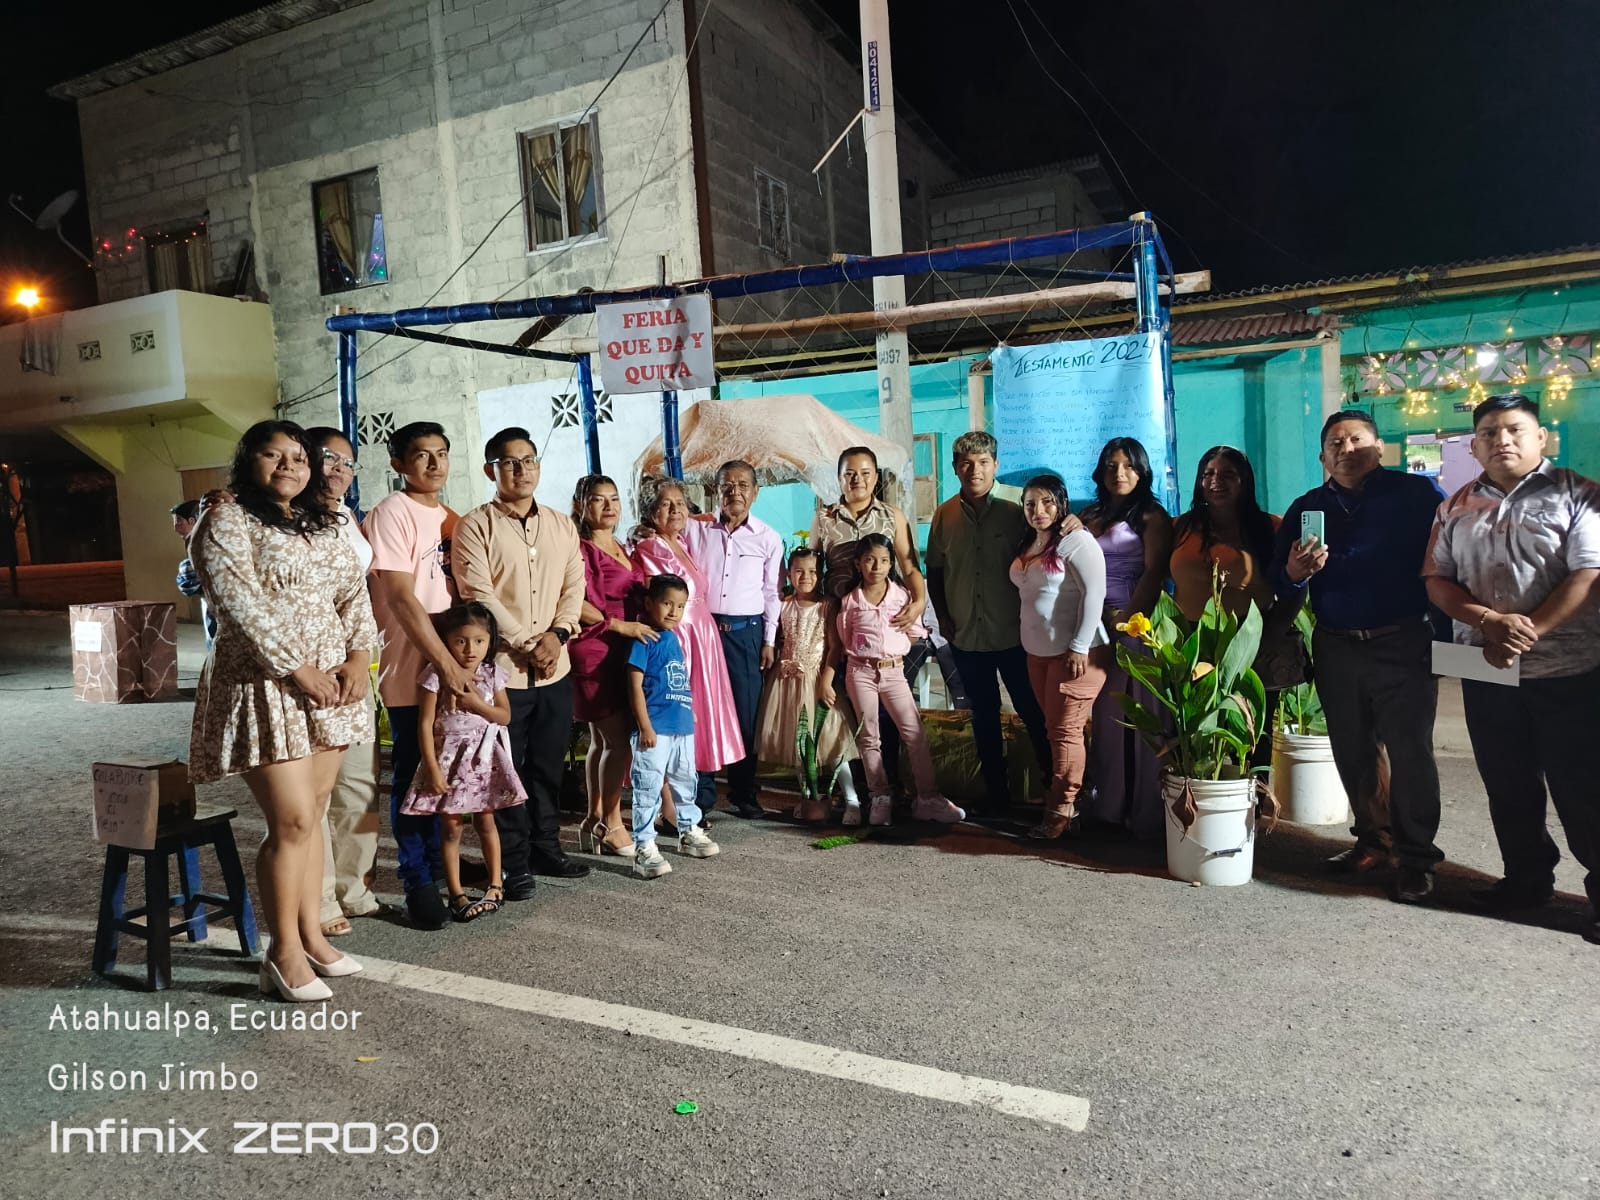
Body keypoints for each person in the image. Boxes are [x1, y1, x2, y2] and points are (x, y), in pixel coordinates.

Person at [188, 419, 375, 1002]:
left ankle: (311, 936)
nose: (290, 466)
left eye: (299, 456)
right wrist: (298, 668)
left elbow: (353, 592)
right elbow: (238, 603)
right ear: (249, 461)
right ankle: (282, 953)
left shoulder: (323, 522)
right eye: (274, 455)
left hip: (330, 687)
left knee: (313, 814)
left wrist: (359, 656)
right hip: (266, 685)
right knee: (291, 820)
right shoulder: (227, 519)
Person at [1422, 393, 1600, 942]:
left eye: (1515, 429)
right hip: (1488, 668)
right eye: (1489, 433)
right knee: (1507, 782)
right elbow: (1437, 579)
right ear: (1474, 446)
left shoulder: (1579, 494)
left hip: (1568, 670)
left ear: (1541, 437)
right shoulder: (1455, 506)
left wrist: (1527, 631)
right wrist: (1488, 621)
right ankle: (1526, 879)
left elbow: (1588, 573)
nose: (1502, 440)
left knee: (1583, 786)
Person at [1274, 410, 1446, 904]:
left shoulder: (1417, 495)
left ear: (1378, 447)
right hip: (1337, 644)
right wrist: (1294, 571)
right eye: (1335, 443)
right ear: (1322, 456)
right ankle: (1374, 842)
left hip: (1403, 641)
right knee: (1353, 750)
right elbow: (1280, 578)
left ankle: (1417, 859)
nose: (1346, 449)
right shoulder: (1308, 507)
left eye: (1356, 440)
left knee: (1410, 752)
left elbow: (1447, 558)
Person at [452, 427, 591, 896]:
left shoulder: (561, 524)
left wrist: (558, 634)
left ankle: (546, 847)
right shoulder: (475, 526)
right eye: (510, 462)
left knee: (548, 765)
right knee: (505, 770)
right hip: (504, 673)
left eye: (528, 460)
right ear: (491, 470)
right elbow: (478, 594)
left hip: (555, 668)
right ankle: (512, 862)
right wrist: (528, 642)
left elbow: (574, 585)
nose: (521, 470)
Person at [363, 421, 463, 930]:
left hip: (454, 668)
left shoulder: (452, 518)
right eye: (422, 455)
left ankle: (442, 865)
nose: (434, 463)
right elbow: (401, 597)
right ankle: (416, 878)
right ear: (399, 464)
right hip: (410, 666)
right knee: (412, 775)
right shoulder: (391, 513)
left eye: (441, 453)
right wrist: (443, 661)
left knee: (447, 769)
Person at [924, 431, 1052, 815]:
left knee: (1032, 711)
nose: (974, 470)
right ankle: (997, 795)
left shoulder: (1019, 507)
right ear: (955, 468)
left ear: (996, 465)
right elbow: (935, 572)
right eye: (966, 463)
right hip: (966, 635)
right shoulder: (944, 515)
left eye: (982, 462)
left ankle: (1056, 791)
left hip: (1016, 633)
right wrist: (943, 617)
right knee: (983, 715)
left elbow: (1050, 546)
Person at [818, 533, 963, 827]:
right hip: (860, 673)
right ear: (858, 564)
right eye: (870, 560)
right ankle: (880, 796)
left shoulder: (902, 598)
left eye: (884, 561)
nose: (877, 567)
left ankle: (928, 797)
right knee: (869, 736)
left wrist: (895, 648)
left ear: (891, 564)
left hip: (894, 673)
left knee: (914, 733)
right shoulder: (850, 602)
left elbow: (914, 633)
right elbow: (846, 639)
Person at [1170, 446, 1302, 764]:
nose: (1216, 481)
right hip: (1190, 645)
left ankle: (1256, 792)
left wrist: (1267, 639)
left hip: (1250, 643)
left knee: (1252, 737)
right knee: (1194, 737)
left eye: (1228, 474)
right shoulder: (1180, 527)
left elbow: (1295, 588)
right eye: (1208, 474)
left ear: (1245, 481)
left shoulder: (1271, 529)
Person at [810, 446, 926, 797]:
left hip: (885, 629)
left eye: (864, 473)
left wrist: (919, 602)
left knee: (891, 712)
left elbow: (909, 565)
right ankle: (861, 790)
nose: (857, 479)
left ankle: (894, 786)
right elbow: (813, 570)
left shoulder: (892, 516)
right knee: (851, 711)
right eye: (849, 474)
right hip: (839, 627)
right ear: (839, 479)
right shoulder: (824, 518)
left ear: (876, 477)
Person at [401, 602, 528, 922]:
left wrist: (475, 703)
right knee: (451, 827)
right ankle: (456, 893)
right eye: (460, 641)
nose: (471, 649)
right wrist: (431, 768)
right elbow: (425, 724)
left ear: (490, 641)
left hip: (483, 761)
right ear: (446, 641)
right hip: (449, 760)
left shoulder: (492, 673)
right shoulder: (435, 675)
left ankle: (495, 884)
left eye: (479, 641)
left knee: (486, 822)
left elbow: (504, 715)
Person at [304, 426, 382, 937]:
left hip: (354, 666)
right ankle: (319, 899)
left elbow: (358, 594)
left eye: (348, 462)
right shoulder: (282, 520)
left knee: (358, 784)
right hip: (309, 671)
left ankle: (354, 888)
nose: (339, 469)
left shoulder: (346, 517)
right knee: (314, 792)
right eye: (328, 458)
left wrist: (361, 657)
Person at [631, 475, 745, 818]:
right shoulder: (651, 547)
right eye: (665, 504)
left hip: (702, 635)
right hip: (679, 636)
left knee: (695, 716)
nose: (675, 510)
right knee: (672, 715)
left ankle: (690, 800)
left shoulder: (682, 540)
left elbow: (704, 518)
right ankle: (668, 807)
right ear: (651, 511)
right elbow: (658, 599)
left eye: (680, 503)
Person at [1080, 438, 1172, 837]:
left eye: (1129, 466)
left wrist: (1127, 623)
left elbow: (1154, 574)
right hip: (1091, 625)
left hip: (1135, 624)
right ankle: (1108, 807)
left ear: (1142, 472)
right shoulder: (1089, 514)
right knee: (1106, 718)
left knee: (1140, 717)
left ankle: (1144, 810)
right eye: (1111, 465)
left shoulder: (1152, 516)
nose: (1119, 473)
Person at [683, 460, 784, 819]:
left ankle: (743, 793)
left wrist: (769, 640)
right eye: (727, 485)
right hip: (704, 630)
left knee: (745, 713)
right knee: (702, 710)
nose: (735, 492)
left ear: (755, 492)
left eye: (743, 485)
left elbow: (772, 593)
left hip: (747, 634)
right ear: (716, 490)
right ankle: (701, 794)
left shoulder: (768, 538)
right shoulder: (695, 529)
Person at [1010, 475, 1108, 840]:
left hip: (1075, 654)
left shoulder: (1075, 540)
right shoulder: (1029, 541)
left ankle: (1060, 810)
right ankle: (1074, 802)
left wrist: (1079, 645)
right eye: (1030, 504)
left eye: (1047, 502)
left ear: (1062, 503)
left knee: (1065, 733)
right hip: (1038, 653)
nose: (1038, 510)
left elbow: (1095, 593)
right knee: (1056, 731)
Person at [570, 473, 649, 857]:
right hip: (597, 645)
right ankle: (612, 824)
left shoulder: (620, 545)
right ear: (581, 505)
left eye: (614, 499)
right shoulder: (580, 548)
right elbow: (573, 599)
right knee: (616, 742)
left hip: (623, 647)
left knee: (602, 742)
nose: (608, 506)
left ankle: (594, 818)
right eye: (599, 499)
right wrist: (618, 625)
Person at [755, 546, 862, 823]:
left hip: (816, 681)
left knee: (833, 741)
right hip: (787, 683)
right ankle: (809, 797)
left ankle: (852, 799)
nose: (806, 577)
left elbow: (835, 647)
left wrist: (826, 681)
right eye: (799, 571)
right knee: (799, 743)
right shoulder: (784, 604)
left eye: (813, 571)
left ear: (821, 574)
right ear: (789, 573)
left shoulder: (827, 605)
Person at [627, 573, 722, 878]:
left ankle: (688, 829)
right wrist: (644, 726)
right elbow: (635, 685)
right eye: (667, 603)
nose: (674, 612)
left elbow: (676, 677)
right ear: (649, 603)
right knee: (648, 785)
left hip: (681, 725)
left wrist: (687, 710)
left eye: (680, 606)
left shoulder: (673, 638)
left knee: (685, 779)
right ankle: (644, 845)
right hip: (654, 729)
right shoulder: (644, 639)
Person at [173, 499, 217, 647]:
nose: (175, 527)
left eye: (178, 521)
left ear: (192, 521)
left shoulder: (205, 546)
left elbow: (187, 582)